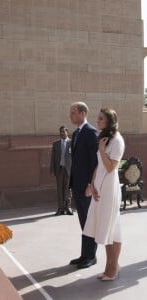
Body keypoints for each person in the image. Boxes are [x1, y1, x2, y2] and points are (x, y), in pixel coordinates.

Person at [83, 108, 125, 281]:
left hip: (109, 189)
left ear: (109, 121)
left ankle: (113, 268)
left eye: (101, 118)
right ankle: (111, 266)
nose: (98, 121)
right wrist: (92, 185)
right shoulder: (104, 138)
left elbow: (110, 167)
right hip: (99, 188)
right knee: (106, 229)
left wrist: (101, 150)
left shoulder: (117, 141)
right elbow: (98, 166)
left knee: (112, 229)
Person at [69, 102, 98, 269]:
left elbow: (96, 162)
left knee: (89, 222)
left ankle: (91, 256)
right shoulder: (76, 133)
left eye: (73, 113)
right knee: (83, 222)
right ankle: (84, 255)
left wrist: (90, 184)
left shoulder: (90, 132)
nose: (70, 116)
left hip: (87, 188)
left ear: (82, 113)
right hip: (77, 186)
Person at [50, 125, 73, 216]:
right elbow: (53, 157)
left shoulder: (72, 143)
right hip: (59, 169)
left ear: (67, 132)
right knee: (60, 189)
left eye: (63, 131)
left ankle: (68, 207)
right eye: (60, 132)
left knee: (68, 188)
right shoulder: (55, 144)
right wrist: (52, 169)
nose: (61, 133)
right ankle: (60, 208)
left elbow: (75, 157)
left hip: (69, 169)